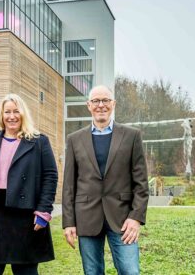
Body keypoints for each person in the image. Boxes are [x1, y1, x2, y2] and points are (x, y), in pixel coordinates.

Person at [0, 94, 58, 275]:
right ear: (1, 115)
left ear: (23, 113)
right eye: (7, 111)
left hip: (25, 216)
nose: (12, 116)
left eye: (16, 111)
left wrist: (43, 211)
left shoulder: (39, 141)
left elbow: (50, 176)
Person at [62, 85, 149, 275]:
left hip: (123, 219)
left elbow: (141, 184)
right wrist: (69, 222)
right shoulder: (75, 139)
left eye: (105, 100)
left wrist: (136, 218)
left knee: (130, 271)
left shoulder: (132, 136)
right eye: (95, 101)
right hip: (87, 216)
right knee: (92, 272)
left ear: (113, 104)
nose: (101, 105)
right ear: (88, 105)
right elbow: (69, 185)